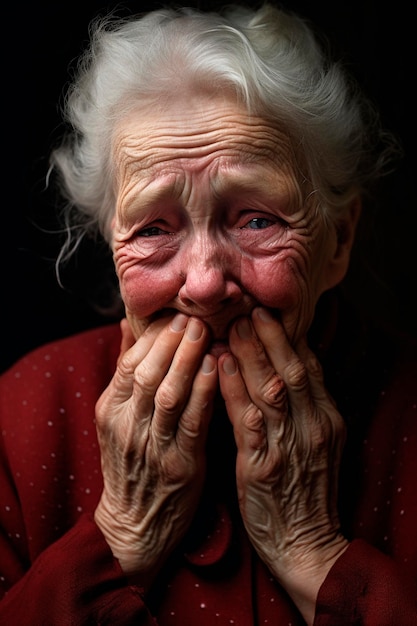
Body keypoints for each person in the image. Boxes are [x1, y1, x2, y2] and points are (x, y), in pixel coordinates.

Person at [1, 3, 416, 624]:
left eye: (256, 219)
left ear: (339, 240)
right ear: (112, 243)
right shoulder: (22, 412)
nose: (204, 283)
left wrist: (316, 555)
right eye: (154, 228)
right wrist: (120, 534)